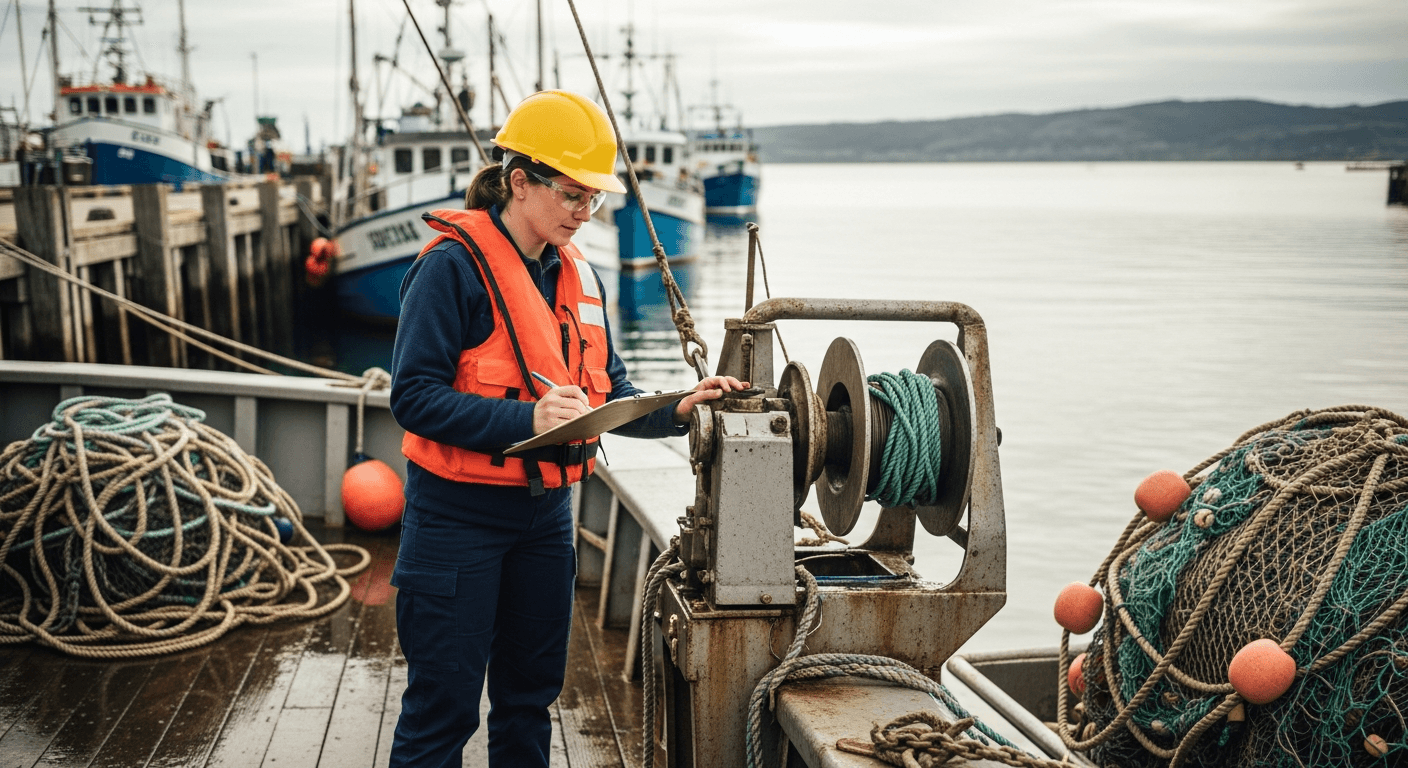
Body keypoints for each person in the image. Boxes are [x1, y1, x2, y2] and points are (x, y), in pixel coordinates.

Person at [386, 90, 746, 768]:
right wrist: (525, 419)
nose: (585, 213)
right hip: (455, 520)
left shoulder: (579, 276)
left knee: (529, 699)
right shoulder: (448, 270)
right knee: (443, 710)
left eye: (595, 200)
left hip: (546, 521)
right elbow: (412, 398)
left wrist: (680, 405)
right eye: (573, 195)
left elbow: (610, 390)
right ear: (520, 183)